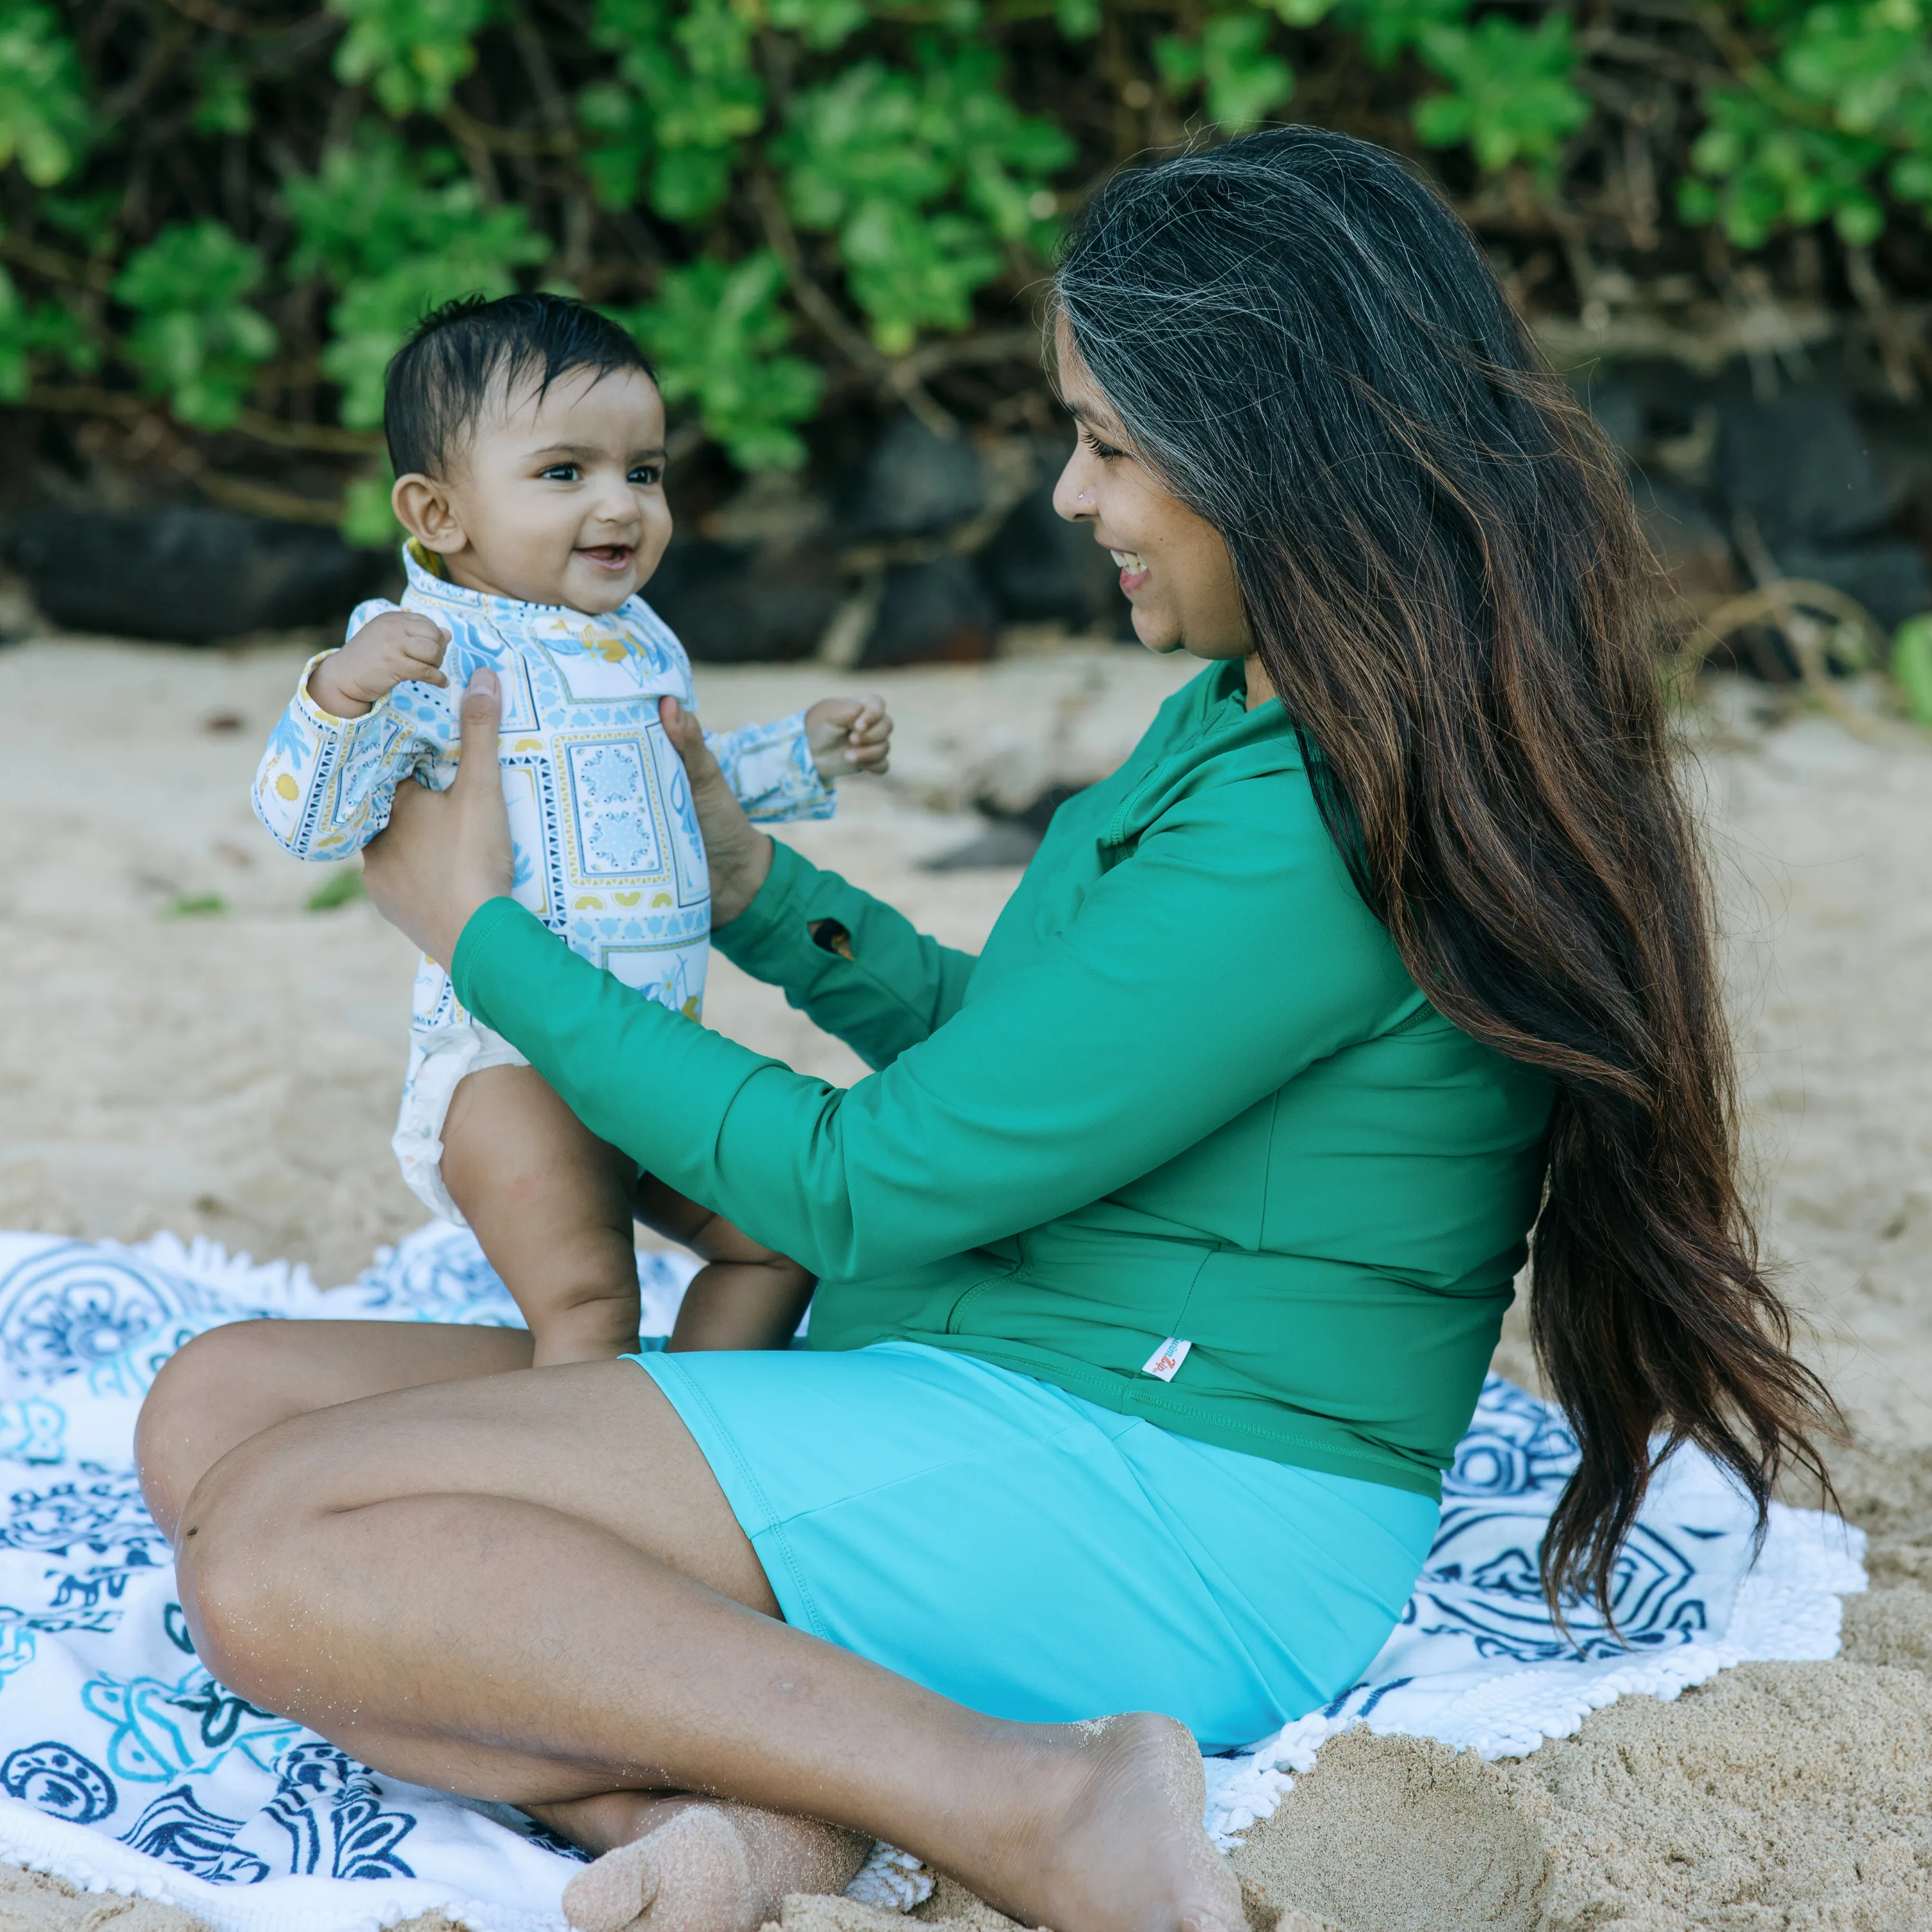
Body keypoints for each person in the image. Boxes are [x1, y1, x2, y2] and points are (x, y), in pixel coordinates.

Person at [137, 129, 1836, 1932]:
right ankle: (749, 1803)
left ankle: (1028, 1801)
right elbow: (1033, 1063)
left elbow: (868, 1187)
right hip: (974, 1367)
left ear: (1271, 452)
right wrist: (760, 897)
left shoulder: (1328, 821)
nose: (1065, 498)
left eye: (1105, 444)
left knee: (275, 1553)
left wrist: (481, 937)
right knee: (218, 1408)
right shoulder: (1245, 710)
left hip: (1166, 1498)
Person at [250, 292, 893, 1365]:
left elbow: (679, 788)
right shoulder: (418, 643)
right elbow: (311, 826)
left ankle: (699, 1436)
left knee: (781, 1243)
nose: (622, 503)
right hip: (511, 1068)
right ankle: (582, 1477)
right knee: (591, 1307)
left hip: (650, 1049)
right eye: (565, 473)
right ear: (438, 515)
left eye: (643, 471)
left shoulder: (640, 641)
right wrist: (339, 697)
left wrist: (803, 755)